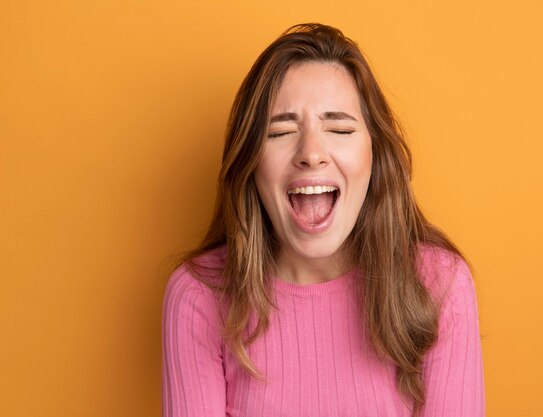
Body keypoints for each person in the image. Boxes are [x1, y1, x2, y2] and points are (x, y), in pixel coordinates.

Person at [162, 23, 484, 417]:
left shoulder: (440, 286)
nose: (311, 153)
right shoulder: (198, 297)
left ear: (374, 156)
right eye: (280, 131)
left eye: (339, 128)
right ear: (249, 164)